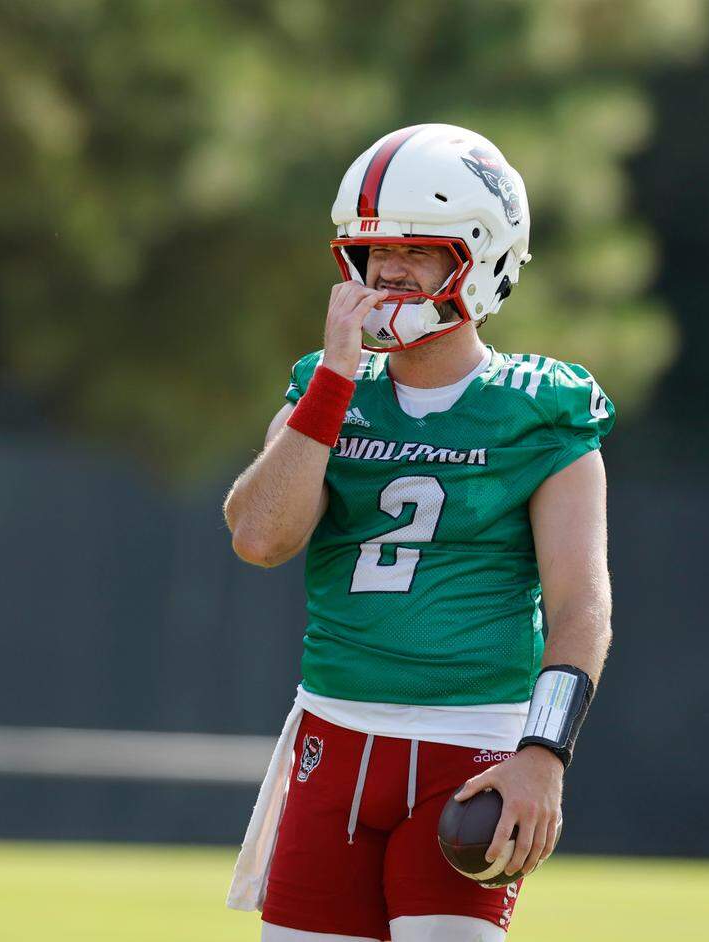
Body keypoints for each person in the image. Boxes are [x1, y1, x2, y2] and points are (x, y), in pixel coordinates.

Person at [224, 124, 614, 942]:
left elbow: (580, 604)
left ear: (483, 257)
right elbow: (259, 538)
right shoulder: (327, 387)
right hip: (331, 738)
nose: (389, 272)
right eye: (373, 252)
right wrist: (332, 380)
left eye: (417, 250)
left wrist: (544, 753)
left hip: (469, 749)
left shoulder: (539, 409)